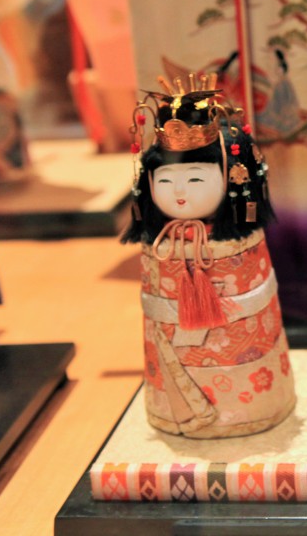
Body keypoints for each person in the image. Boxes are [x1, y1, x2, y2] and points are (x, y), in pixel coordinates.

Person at [122, 75, 295, 438]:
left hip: (242, 354)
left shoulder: (242, 240)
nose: (179, 192)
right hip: (173, 351)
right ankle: (176, 414)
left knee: (243, 363)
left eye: (196, 180)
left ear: (233, 182)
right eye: (165, 181)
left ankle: (253, 411)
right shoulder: (159, 243)